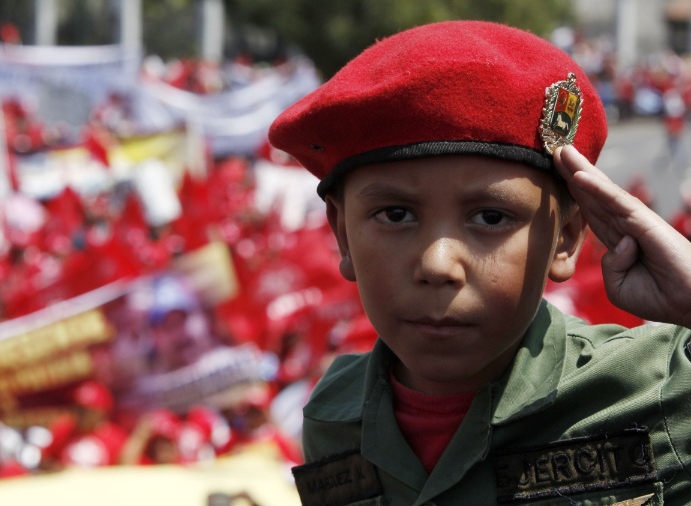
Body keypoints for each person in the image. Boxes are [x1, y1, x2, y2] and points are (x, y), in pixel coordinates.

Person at [268, 20, 691, 504]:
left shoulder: (659, 387)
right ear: (343, 235)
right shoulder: (332, 417)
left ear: (566, 239)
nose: (439, 264)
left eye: (491, 217)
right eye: (396, 214)